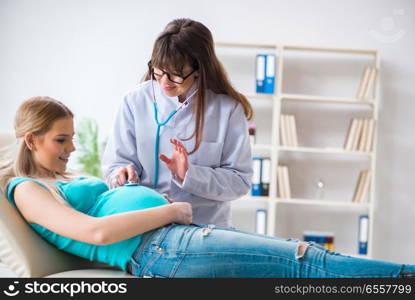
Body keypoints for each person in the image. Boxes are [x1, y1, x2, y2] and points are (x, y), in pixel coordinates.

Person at [1, 97, 415, 278]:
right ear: (30, 140)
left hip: (172, 241)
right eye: (62, 140)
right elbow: (96, 233)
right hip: (162, 246)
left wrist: (123, 182)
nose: (73, 148)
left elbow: (99, 216)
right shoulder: (24, 189)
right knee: (305, 263)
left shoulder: (58, 180)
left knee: (305, 260)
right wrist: (171, 211)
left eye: (73, 138)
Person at [102, 18, 253, 227]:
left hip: (202, 227)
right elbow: (115, 165)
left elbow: (240, 182)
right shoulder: (134, 101)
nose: (164, 81)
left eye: (176, 74)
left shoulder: (228, 110)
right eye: (159, 70)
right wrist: (120, 174)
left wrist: (190, 174)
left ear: (199, 69)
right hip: (144, 223)